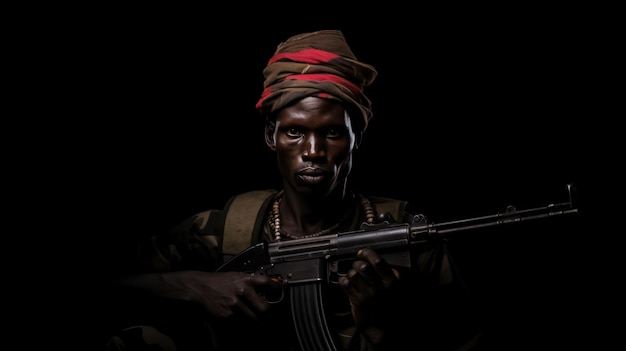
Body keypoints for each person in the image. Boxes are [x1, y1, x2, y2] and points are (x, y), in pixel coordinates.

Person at [103, 29, 484, 351]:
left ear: (357, 138)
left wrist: (387, 330)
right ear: (271, 135)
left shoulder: (407, 242)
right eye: (295, 131)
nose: (313, 152)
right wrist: (195, 285)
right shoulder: (226, 229)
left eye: (332, 133)